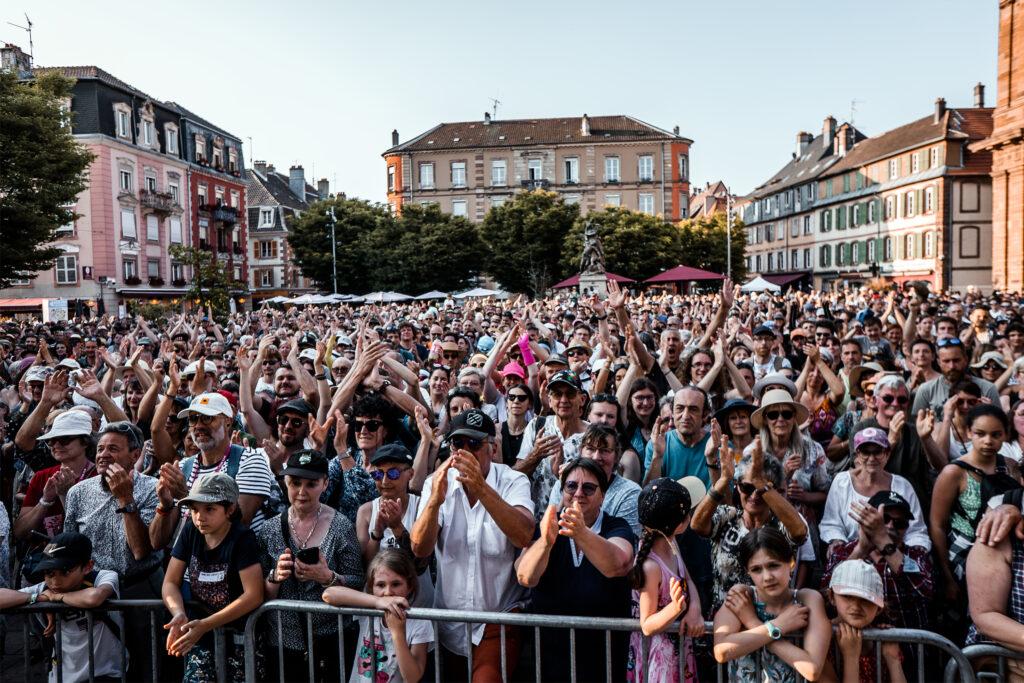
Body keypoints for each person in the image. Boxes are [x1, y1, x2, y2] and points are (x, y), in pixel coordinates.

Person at [411, 409, 534, 682]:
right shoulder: (436, 482)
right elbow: (420, 549)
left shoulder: (514, 481)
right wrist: (434, 502)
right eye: (458, 443)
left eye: (475, 443)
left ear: (493, 448)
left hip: (499, 617)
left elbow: (523, 535)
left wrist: (481, 488)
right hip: (449, 620)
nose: (465, 451)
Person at [516, 458, 635, 682]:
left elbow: (618, 565)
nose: (579, 493)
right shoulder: (548, 525)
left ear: (603, 495)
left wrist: (580, 532)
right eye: (571, 486)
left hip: (605, 660)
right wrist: (545, 543)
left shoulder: (616, 526)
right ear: (562, 491)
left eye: (588, 488)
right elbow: (525, 576)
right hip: (551, 659)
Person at [260, 449, 365, 679]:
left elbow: (358, 581)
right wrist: (275, 576)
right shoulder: (269, 530)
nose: (302, 492)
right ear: (285, 482)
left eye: (311, 484)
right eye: (295, 483)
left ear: (325, 483)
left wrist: (328, 577)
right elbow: (259, 593)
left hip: (331, 642)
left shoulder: (341, 527)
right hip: (283, 643)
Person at [162, 473, 265, 682]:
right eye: (194, 509)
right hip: (200, 634)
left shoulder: (242, 538)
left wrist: (206, 624)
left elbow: (254, 595)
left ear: (230, 509)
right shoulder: (190, 531)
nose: (200, 517)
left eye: (209, 509)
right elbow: (170, 582)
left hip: (241, 637)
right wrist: (178, 613)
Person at [929, 404, 1022, 628]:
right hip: (962, 557)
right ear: (969, 432)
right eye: (981, 434)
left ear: (1005, 435)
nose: (988, 441)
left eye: (996, 435)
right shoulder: (954, 472)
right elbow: (937, 524)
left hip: (1004, 551)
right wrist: (947, 576)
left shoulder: (1010, 467)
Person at [692, 436, 809, 610]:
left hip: (773, 619)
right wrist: (723, 480)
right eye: (747, 487)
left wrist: (759, 482)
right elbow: (697, 525)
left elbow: (800, 532)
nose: (754, 495)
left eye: (760, 490)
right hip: (725, 616)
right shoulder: (728, 517)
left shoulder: (782, 524)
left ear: (774, 490)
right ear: (738, 487)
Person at [0, 532, 123, 683]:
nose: (55, 582)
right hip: (62, 676)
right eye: (49, 573)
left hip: (106, 673)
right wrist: (37, 598)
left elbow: (94, 597)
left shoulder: (102, 577)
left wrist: (56, 598)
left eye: (65, 572)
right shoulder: (45, 590)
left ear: (87, 566)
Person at [712, 527, 831, 682]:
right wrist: (778, 625)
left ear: (791, 563)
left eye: (773, 565)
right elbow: (722, 651)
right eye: (756, 569)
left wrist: (753, 622)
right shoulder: (742, 597)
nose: (767, 577)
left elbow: (812, 669)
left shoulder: (808, 599)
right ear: (747, 572)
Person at [625, 477, 704, 683]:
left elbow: (687, 579)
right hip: (658, 659)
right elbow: (647, 624)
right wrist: (675, 608)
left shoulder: (672, 543)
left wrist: (694, 608)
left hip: (678, 650)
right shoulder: (651, 567)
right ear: (679, 525)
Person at [822, 491, 932, 631]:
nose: (890, 526)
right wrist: (861, 550)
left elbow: (924, 591)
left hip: (908, 642)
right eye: (884, 519)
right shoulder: (843, 551)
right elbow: (826, 597)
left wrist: (882, 539)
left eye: (899, 523)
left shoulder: (916, 555)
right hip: (851, 641)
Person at [323, 549, 433, 683]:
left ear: (409, 586)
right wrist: (377, 601)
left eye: (396, 584)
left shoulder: (420, 622)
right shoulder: (369, 609)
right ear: (371, 587)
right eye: (380, 585)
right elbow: (329, 594)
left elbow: (412, 677)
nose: (388, 592)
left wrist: (397, 633)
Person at [821, 429, 930, 559]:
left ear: (887, 454)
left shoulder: (902, 486)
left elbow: (916, 530)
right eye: (866, 452)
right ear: (857, 455)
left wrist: (914, 550)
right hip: (854, 553)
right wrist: (837, 540)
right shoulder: (842, 482)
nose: (872, 458)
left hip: (894, 554)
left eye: (877, 452)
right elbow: (831, 522)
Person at [355, 443, 433, 606]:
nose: (385, 481)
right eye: (378, 474)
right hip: (379, 604)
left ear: (410, 474)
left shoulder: (421, 507)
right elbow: (367, 567)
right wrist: (377, 533)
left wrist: (397, 527)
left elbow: (420, 565)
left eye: (393, 473)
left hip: (418, 607)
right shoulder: (366, 511)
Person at [514, 370, 588, 520]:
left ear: (582, 399)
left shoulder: (591, 435)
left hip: (575, 521)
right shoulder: (537, 426)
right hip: (537, 521)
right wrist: (535, 455)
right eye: (557, 394)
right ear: (549, 399)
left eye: (570, 394)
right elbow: (515, 475)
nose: (563, 400)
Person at [546, 424, 642, 535]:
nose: (596, 457)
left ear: (616, 456)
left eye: (604, 450)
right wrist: (565, 488)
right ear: (581, 451)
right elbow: (551, 529)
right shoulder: (563, 483)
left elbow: (626, 540)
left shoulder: (629, 492)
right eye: (590, 449)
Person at [821, 560, 907, 683]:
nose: (856, 606)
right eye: (847, 596)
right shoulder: (822, 639)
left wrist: (893, 660)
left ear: (879, 608)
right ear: (831, 597)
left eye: (866, 599)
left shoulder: (882, 641)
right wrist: (851, 657)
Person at [911, 337, 1002, 421]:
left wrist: (988, 413)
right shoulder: (926, 390)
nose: (952, 366)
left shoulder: (988, 389)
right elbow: (916, 425)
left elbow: (999, 424)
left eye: (956, 360)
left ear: (966, 360)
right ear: (939, 362)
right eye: (946, 361)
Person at [645, 386, 713, 486]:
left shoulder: (716, 446)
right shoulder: (656, 444)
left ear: (705, 414)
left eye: (693, 409)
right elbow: (648, 493)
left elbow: (725, 495)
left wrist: (712, 459)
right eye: (680, 408)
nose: (685, 416)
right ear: (672, 412)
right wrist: (657, 456)